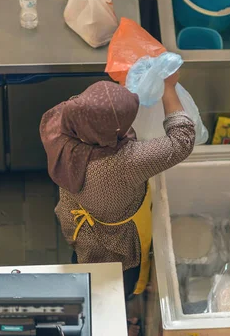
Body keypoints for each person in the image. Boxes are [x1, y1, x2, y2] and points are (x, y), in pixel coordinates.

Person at [40, 74, 195, 335]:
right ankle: (109, 321)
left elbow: (89, 107)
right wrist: (168, 87)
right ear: (117, 131)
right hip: (116, 245)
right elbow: (183, 139)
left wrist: (116, 97)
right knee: (115, 284)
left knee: (86, 271)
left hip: (80, 227)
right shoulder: (126, 163)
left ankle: (96, 309)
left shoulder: (54, 125)